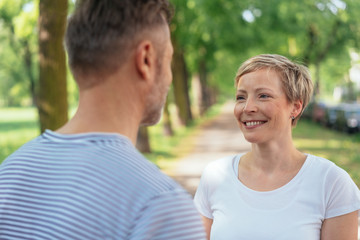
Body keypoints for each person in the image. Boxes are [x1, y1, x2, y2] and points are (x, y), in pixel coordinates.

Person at [0, 0, 206, 239]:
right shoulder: (161, 206)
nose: (170, 78)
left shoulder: (10, 173)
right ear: (146, 59)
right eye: (169, 60)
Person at [194, 54, 360, 240]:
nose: (248, 107)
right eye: (241, 97)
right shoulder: (215, 176)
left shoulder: (331, 183)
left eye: (263, 96)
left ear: (295, 107)